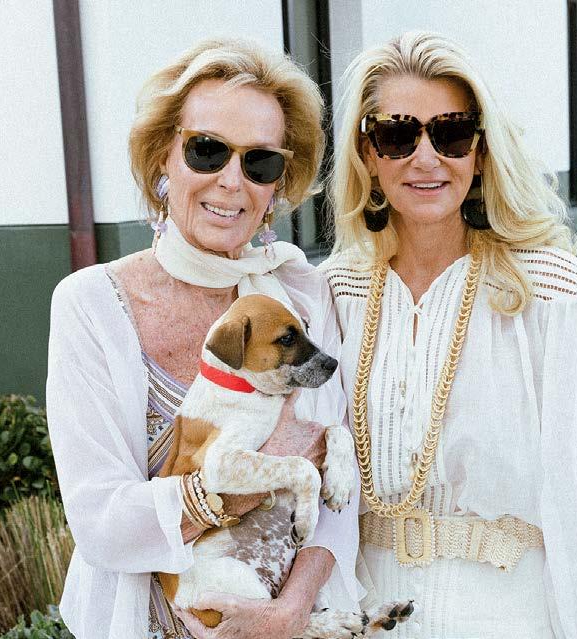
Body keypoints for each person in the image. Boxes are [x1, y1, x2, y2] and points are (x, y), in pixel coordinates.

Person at [322, 31, 577, 638]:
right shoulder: (334, 292)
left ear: (481, 150)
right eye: (397, 135)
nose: (426, 158)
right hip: (362, 612)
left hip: (509, 613)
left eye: (451, 133)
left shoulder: (549, 290)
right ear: (367, 153)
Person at [46, 38, 361, 639]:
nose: (231, 181)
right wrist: (246, 480)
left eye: (260, 162)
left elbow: (341, 498)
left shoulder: (302, 296)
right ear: (162, 158)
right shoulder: (93, 306)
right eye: (207, 150)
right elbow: (101, 522)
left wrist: (288, 613)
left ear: (277, 186)